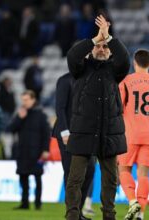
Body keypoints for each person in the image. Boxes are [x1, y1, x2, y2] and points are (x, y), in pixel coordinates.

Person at [64, 15, 130, 220]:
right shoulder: (81, 69)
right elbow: (72, 56)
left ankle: (109, 215)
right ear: (92, 49)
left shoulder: (115, 70)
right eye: (98, 47)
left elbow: (125, 59)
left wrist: (109, 38)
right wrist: (95, 38)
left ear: (109, 51)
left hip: (109, 133)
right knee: (75, 179)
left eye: (104, 47)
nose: (101, 50)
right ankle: (72, 215)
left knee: (111, 179)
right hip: (84, 132)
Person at [117, 49, 149, 220]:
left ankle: (132, 202)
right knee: (143, 175)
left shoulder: (125, 82)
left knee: (123, 170)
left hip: (130, 135)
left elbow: (118, 108)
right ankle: (141, 213)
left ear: (134, 62)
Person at [53, 72, 95, 220]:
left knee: (89, 170)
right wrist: (65, 131)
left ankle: (78, 210)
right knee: (71, 173)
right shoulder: (64, 80)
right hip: (68, 133)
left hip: (87, 132)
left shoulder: (91, 78)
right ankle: (72, 212)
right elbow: (60, 108)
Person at [8, 90, 50, 210]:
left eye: (26, 100)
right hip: (23, 152)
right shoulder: (21, 114)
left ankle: (38, 204)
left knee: (38, 178)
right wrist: (19, 119)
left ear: (33, 100)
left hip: (37, 153)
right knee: (23, 178)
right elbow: (10, 129)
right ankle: (24, 203)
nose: (24, 102)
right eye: (23, 100)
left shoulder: (41, 115)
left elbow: (46, 134)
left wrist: (45, 150)